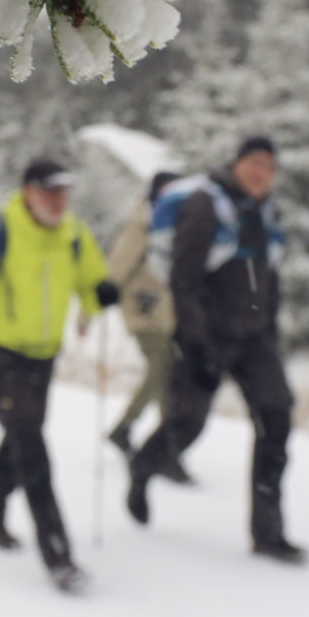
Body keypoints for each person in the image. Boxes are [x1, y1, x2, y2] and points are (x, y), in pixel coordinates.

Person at [125, 136, 308, 564]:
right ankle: (143, 466)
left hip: (256, 338)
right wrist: (196, 343)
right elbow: (184, 280)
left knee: (276, 421)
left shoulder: (266, 213)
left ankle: (269, 533)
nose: (262, 173)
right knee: (186, 424)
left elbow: (270, 276)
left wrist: (272, 328)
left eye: (269, 166)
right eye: (254, 163)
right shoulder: (206, 206)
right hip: (208, 336)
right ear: (238, 163)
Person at [0, 156, 120, 594]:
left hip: (43, 354)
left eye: (63, 191)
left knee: (21, 436)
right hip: (1, 350)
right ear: (27, 191)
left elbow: (91, 283)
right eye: (49, 190)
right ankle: (59, 555)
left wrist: (102, 293)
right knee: (32, 446)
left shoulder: (74, 236)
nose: (58, 200)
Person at [104, 170, 191, 485]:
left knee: (169, 374)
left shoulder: (182, 224)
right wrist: (93, 308)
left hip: (171, 315)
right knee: (163, 367)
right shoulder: (141, 225)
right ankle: (151, 440)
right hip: (142, 312)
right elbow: (116, 268)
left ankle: (143, 436)